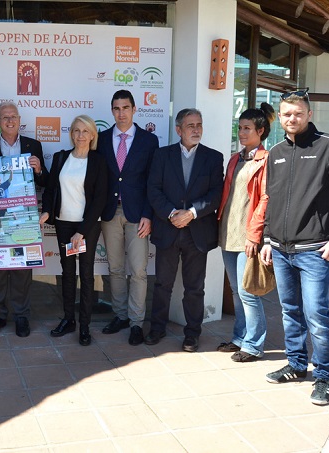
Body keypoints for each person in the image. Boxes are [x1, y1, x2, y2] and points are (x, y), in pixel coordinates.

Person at [260, 89, 329, 405]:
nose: (292, 119)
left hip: (315, 249)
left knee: (316, 313)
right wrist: (267, 239)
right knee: (290, 311)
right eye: (287, 114)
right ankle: (296, 364)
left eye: (298, 113)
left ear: (309, 114)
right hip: (281, 249)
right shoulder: (276, 152)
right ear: (280, 117)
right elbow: (272, 199)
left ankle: (325, 376)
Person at [145, 108, 224, 353]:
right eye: (191, 125)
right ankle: (157, 328)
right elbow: (153, 189)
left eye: (199, 125)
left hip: (197, 232)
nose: (196, 129)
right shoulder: (162, 155)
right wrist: (172, 214)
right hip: (167, 229)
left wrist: (191, 213)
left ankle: (192, 334)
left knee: (194, 288)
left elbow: (216, 194)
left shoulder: (213, 157)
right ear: (179, 130)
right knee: (162, 284)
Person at [0, 102, 49, 337]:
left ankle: (21, 316)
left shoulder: (33, 145)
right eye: (5, 117)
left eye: (13, 117)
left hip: (23, 217)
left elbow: (45, 182)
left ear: (19, 120)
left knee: (21, 267)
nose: (10, 121)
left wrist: (39, 170)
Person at [97, 90, 159, 345]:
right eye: (116, 108)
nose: (121, 113)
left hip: (137, 215)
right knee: (115, 269)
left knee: (139, 271)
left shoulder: (149, 141)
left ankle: (136, 322)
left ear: (134, 109)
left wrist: (148, 214)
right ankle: (121, 315)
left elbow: (153, 182)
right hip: (110, 212)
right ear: (112, 111)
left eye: (125, 108)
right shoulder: (101, 139)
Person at [40, 115, 108, 346]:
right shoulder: (61, 158)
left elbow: (100, 199)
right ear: (71, 134)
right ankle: (68, 319)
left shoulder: (98, 161)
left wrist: (82, 231)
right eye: (76, 131)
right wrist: (46, 211)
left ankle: (84, 326)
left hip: (86, 226)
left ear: (92, 135)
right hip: (63, 224)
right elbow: (50, 190)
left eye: (85, 131)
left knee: (86, 275)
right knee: (67, 273)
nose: (80, 135)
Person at [217, 103, 275, 362]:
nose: (241, 133)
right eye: (239, 128)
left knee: (248, 292)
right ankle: (240, 338)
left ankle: (253, 345)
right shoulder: (235, 159)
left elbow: (266, 199)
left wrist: (255, 235)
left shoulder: (267, 160)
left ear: (260, 131)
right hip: (228, 232)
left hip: (249, 235)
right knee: (235, 290)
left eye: (247, 128)